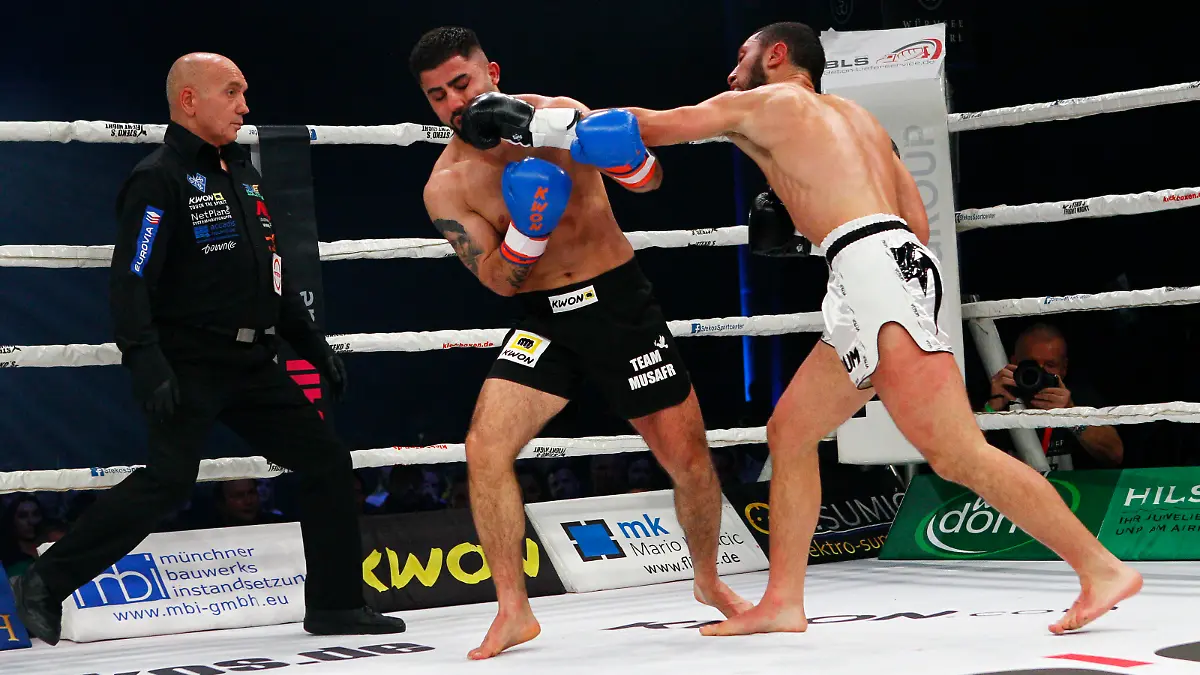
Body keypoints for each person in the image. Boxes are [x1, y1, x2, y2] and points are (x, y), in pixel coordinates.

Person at [559, 21, 1142, 637]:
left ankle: (1100, 568)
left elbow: (651, 125)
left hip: (870, 270)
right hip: (875, 265)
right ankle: (783, 600)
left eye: (742, 56)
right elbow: (915, 219)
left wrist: (540, 122)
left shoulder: (771, 100)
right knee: (790, 431)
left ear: (777, 55)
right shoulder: (861, 121)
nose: (732, 74)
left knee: (955, 452)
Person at [9, 52, 406, 645]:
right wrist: (145, 361)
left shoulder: (242, 171)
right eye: (232, 92)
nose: (245, 106)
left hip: (254, 362)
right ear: (189, 100)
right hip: (188, 361)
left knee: (327, 461)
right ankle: (44, 580)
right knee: (168, 482)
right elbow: (132, 278)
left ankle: (336, 605)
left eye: (244, 93)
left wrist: (312, 346)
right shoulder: (158, 177)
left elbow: (271, 271)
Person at [408, 26, 749, 660]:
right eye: (438, 96)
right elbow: (497, 281)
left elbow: (648, 183)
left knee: (688, 459)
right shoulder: (446, 186)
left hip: (618, 304)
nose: (455, 103)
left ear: (492, 74)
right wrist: (526, 235)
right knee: (485, 448)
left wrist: (623, 156)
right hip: (546, 318)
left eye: (463, 83)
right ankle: (514, 610)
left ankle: (708, 581)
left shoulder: (559, 118)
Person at [984, 322, 1123, 470]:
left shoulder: (1079, 398)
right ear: (1013, 363)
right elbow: (959, 455)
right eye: (1031, 364)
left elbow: (1115, 455)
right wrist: (991, 409)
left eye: (1050, 365)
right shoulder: (998, 394)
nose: (1039, 373)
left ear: (1064, 368)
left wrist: (1071, 413)